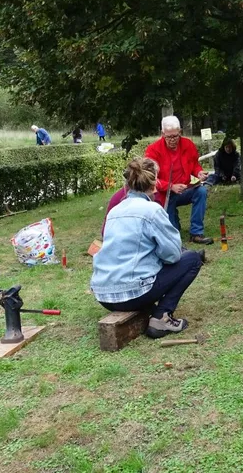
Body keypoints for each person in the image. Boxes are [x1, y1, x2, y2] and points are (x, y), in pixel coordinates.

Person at [91, 157, 204, 338]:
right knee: (192, 259)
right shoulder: (152, 210)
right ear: (154, 184)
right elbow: (173, 255)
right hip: (133, 293)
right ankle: (162, 317)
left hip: (104, 295)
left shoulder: (114, 211)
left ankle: (149, 307)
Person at [145, 116, 214, 245]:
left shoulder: (188, 144)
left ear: (180, 132)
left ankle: (196, 233)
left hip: (185, 189)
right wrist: (171, 186)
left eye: (175, 136)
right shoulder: (152, 150)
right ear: (162, 134)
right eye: (168, 137)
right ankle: (174, 226)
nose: (172, 140)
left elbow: (194, 164)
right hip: (165, 195)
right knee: (173, 233)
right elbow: (150, 179)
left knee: (201, 191)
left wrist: (199, 172)